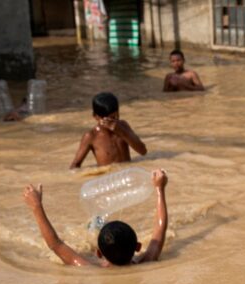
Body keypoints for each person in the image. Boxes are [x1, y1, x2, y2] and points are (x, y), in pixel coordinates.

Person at [23, 169, 168, 267]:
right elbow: (160, 229)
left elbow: (56, 245)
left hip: (97, 246)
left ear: (98, 253)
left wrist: (36, 206)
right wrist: (159, 189)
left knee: (94, 224)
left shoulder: (87, 267)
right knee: (97, 222)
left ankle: (97, 223)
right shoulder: (147, 261)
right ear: (138, 247)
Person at [70, 92, 148, 168]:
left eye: (116, 116)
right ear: (96, 117)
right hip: (109, 177)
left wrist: (122, 132)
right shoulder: (91, 136)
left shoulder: (123, 126)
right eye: (109, 119)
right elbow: (75, 165)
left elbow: (143, 151)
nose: (114, 121)